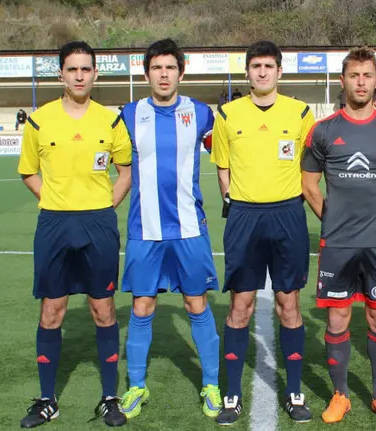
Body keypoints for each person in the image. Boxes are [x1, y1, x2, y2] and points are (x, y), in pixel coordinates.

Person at [17, 40, 132, 429]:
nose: (79, 76)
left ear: (95, 74)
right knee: (53, 310)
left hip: (98, 224)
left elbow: (125, 173)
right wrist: (54, 200)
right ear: (61, 74)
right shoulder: (39, 121)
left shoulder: (111, 121)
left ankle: (110, 397)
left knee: (103, 308)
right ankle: (47, 400)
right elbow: (28, 172)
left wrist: (103, 206)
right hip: (54, 224)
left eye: (86, 69)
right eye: (72, 69)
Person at [302, 46, 376, 424]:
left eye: (367, 75)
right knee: (337, 320)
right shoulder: (323, 131)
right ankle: (341, 395)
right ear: (343, 81)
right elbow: (309, 185)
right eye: (354, 75)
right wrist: (333, 221)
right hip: (337, 244)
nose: (361, 82)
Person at [115, 38, 223, 421]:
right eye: (157, 68)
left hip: (189, 228)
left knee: (196, 303)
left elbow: (227, 153)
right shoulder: (129, 114)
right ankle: (136, 386)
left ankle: (211, 384)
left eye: (170, 68)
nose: (164, 75)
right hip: (144, 229)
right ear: (147, 74)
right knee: (142, 306)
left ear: (181, 72)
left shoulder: (201, 113)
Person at [210, 40, 315, 425]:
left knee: (289, 302)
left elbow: (309, 168)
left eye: (269, 66)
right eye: (256, 66)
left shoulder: (300, 113)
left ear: (279, 71)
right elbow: (222, 167)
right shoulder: (227, 114)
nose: (262, 72)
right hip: (245, 217)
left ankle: (294, 391)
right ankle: (233, 395)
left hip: (288, 215)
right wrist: (234, 201)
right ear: (248, 72)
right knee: (241, 304)